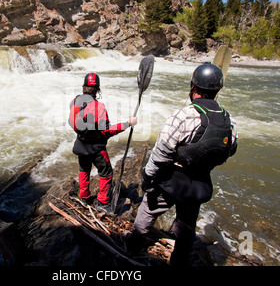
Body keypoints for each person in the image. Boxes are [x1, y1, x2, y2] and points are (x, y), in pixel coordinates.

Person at [126, 63, 238, 266]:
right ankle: (179, 261)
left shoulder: (183, 115)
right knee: (187, 224)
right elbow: (230, 150)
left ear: (193, 87)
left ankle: (133, 245)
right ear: (217, 91)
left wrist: (147, 176)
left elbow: (162, 152)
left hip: (171, 180)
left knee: (148, 210)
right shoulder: (228, 120)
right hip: (200, 183)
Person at [69, 73, 137, 212]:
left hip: (80, 144)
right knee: (106, 172)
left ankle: (85, 198)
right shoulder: (99, 107)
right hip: (96, 148)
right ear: (97, 90)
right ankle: (103, 203)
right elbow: (107, 131)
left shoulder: (74, 101)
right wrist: (127, 124)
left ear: (84, 87)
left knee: (84, 170)